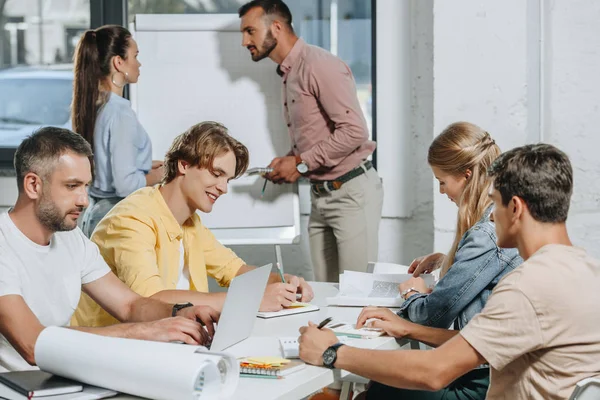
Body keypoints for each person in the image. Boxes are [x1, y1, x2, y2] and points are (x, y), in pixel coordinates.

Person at [298, 143, 600, 400]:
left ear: (516, 208)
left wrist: (333, 352)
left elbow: (434, 372)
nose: (492, 214)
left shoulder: (526, 287)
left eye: (495, 203)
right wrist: (410, 329)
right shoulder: (587, 271)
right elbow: (478, 344)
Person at [0, 127, 219, 372]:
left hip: (62, 377)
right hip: (15, 389)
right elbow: (33, 344)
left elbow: (129, 306)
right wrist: (144, 332)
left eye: (85, 186)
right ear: (33, 185)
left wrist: (180, 312)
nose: (84, 200)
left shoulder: (72, 239)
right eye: (72, 186)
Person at [73, 121, 314, 328]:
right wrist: (248, 300)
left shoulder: (190, 223)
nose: (224, 188)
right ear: (184, 165)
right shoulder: (131, 219)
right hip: (114, 349)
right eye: (216, 174)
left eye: (227, 179)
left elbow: (235, 271)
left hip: (168, 341)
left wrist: (283, 282)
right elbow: (150, 299)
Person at [239, 0, 383, 282]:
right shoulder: (289, 72)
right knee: (326, 292)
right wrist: (289, 160)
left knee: (358, 293)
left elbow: (355, 132)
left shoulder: (319, 65)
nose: (245, 41)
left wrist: (301, 163)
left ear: (276, 27)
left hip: (350, 194)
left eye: (250, 31)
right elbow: (317, 134)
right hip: (321, 197)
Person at [71, 25, 164, 237]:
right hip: (115, 218)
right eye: (135, 56)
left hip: (94, 215)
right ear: (118, 62)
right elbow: (125, 185)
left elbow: (105, 164)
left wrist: (141, 166)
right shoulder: (120, 113)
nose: (139, 64)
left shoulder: (94, 107)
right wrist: (161, 175)